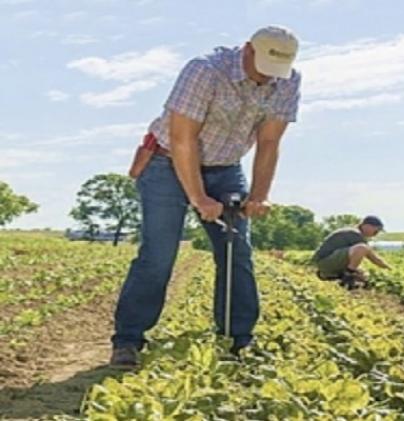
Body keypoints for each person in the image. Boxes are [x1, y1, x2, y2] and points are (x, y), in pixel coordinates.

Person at [110, 26, 302, 368]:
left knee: (236, 251)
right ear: (247, 50)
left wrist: (259, 195)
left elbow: (269, 142)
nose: (266, 79)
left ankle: (238, 336)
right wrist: (199, 198)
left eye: (275, 73)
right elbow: (183, 139)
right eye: (261, 68)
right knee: (158, 255)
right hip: (166, 162)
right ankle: (128, 339)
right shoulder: (205, 71)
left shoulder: (287, 80)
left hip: (226, 165)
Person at [311, 216, 391, 289]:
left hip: (327, 263)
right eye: (376, 229)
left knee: (363, 274)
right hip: (324, 262)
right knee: (362, 248)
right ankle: (347, 277)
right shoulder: (355, 234)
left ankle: (330, 275)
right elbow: (372, 257)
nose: (376, 233)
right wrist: (388, 268)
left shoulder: (354, 232)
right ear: (366, 226)